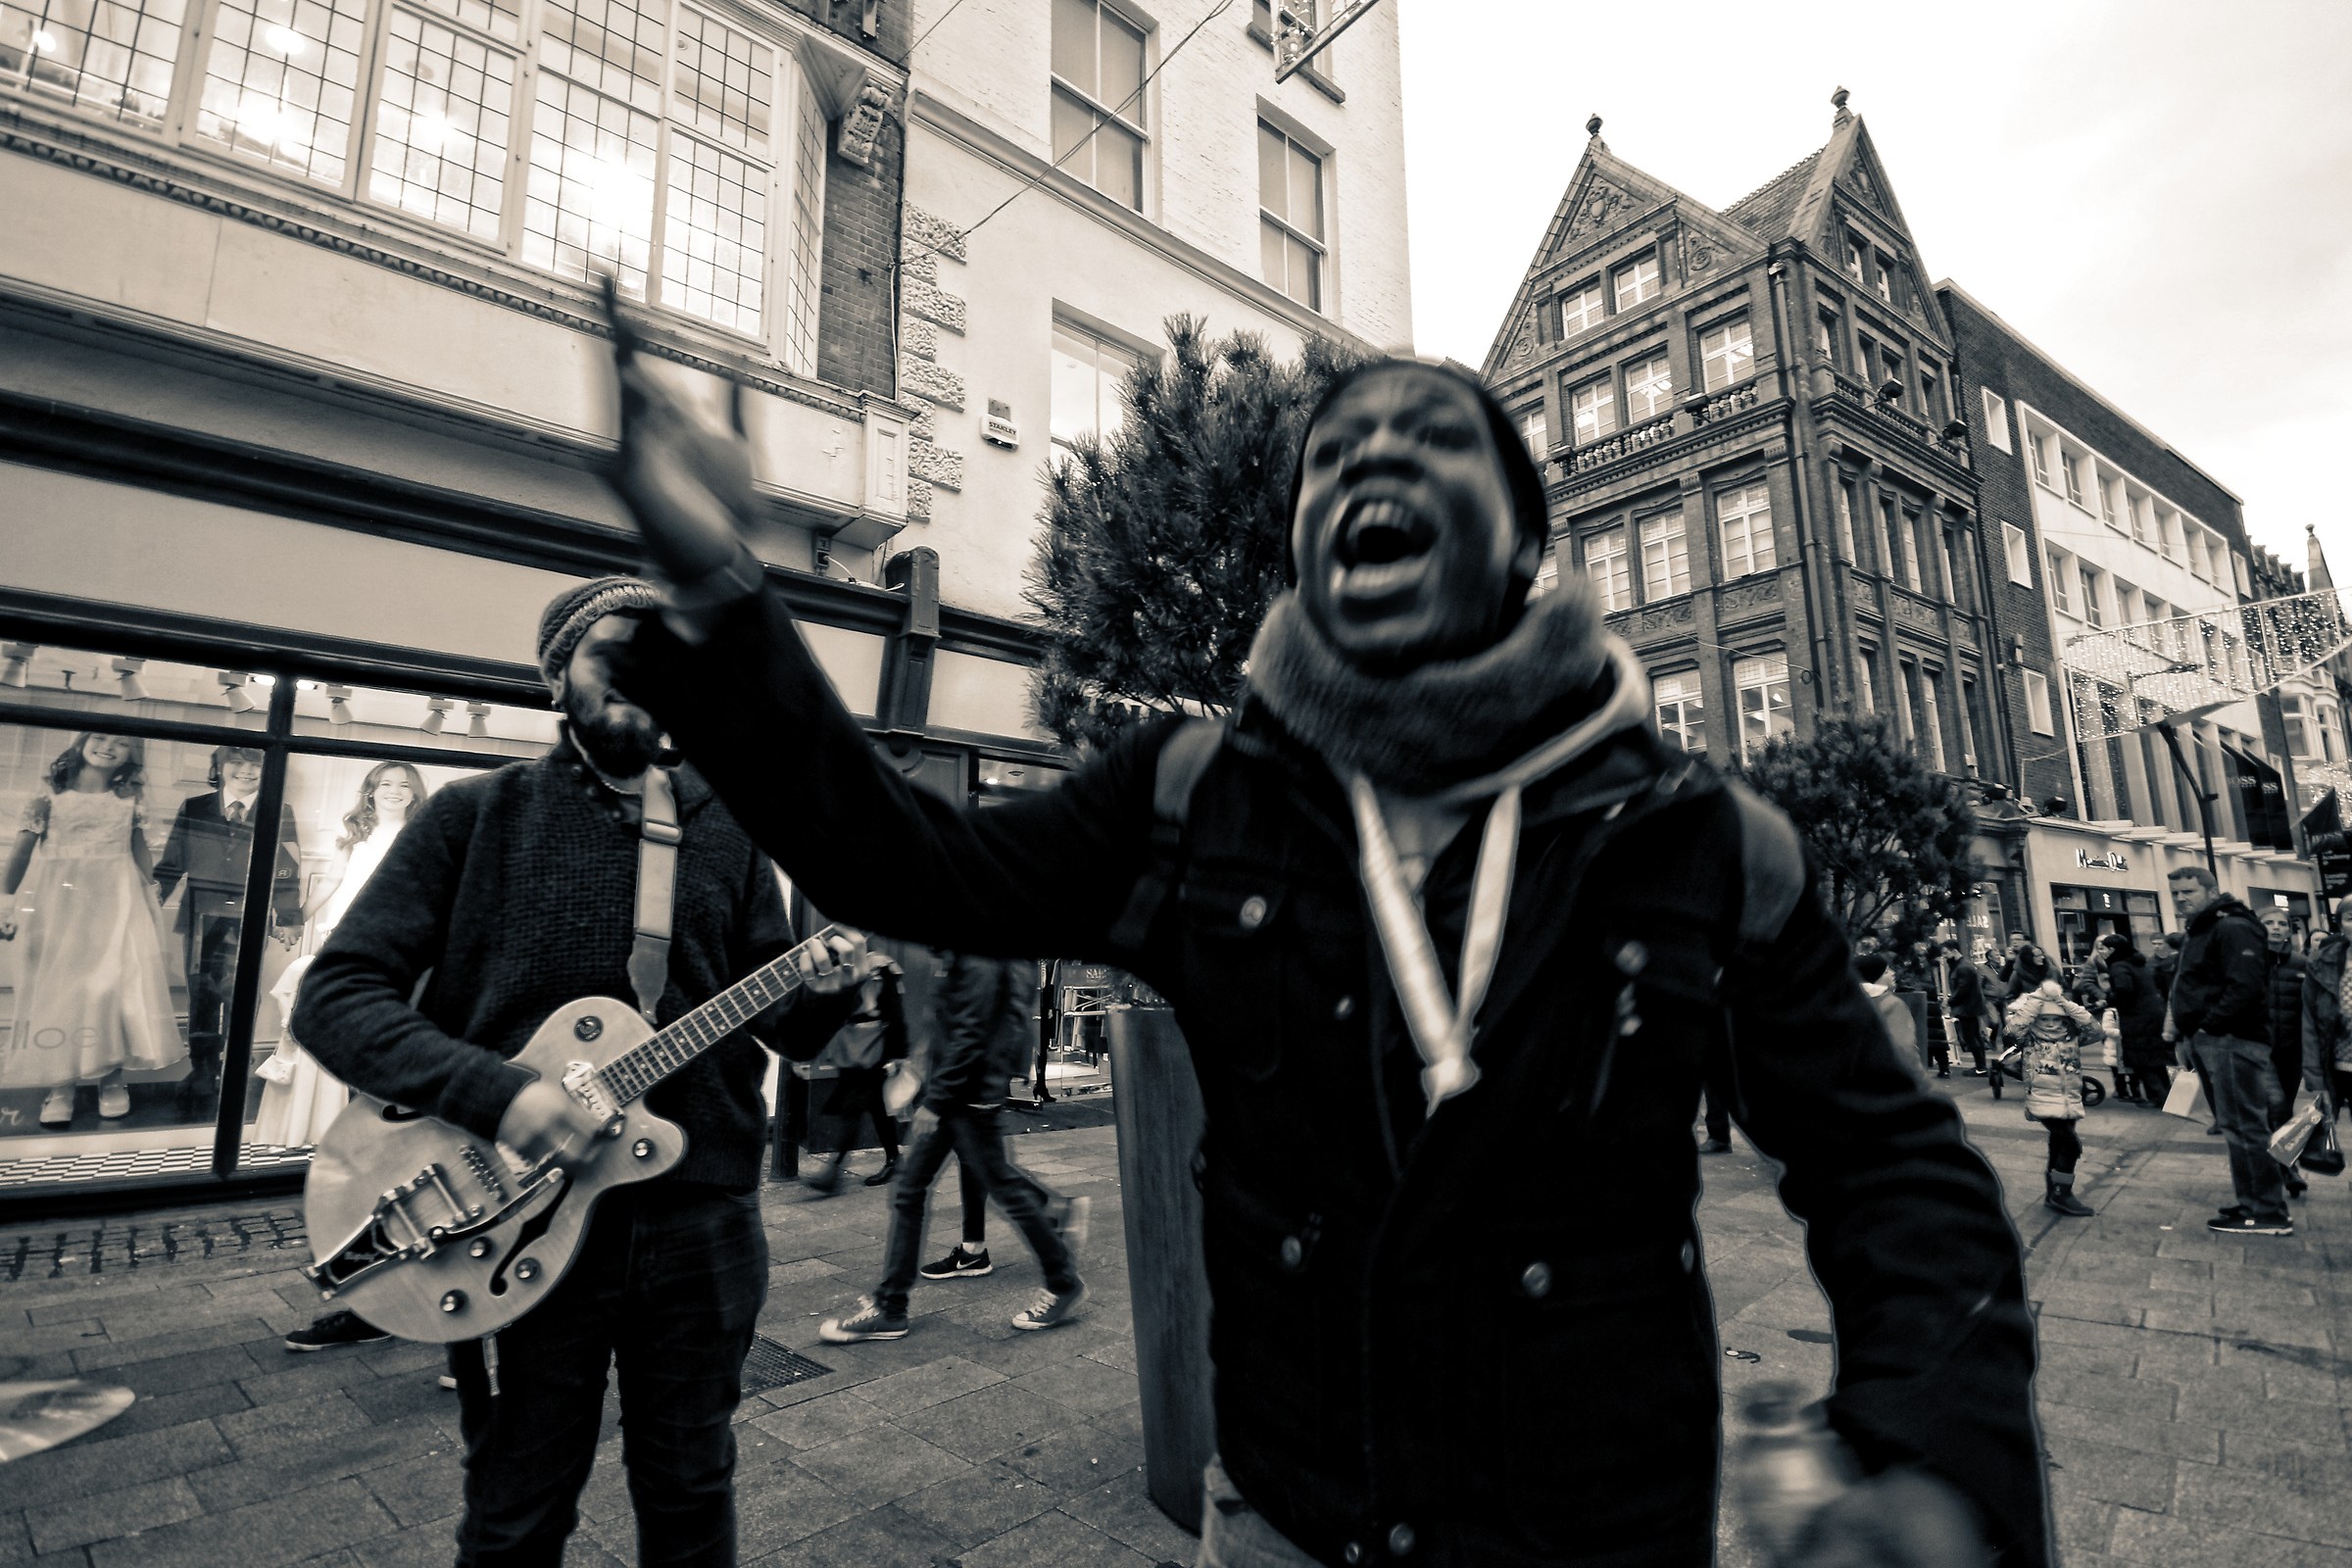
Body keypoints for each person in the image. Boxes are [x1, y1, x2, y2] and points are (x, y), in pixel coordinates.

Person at [603, 347, 2047, 1568]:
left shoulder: (1700, 841)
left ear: (1527, 541)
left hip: (1603, 1533)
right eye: (1334, 453)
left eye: (1432, 440)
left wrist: (1927, 1448)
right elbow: (904, 862)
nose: (1373, 464)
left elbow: (1891, 1167)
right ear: (1299, 537)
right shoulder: (1189, 797)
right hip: (1294, 1528)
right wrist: (726, 598)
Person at [290, 576, 868, 1566]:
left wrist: (832, 985)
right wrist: (501, 1094)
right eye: (619, 653)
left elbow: (786, 1026)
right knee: (518, 1509)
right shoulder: (474, 818)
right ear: (557, 677)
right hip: (514, 1223)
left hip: (704, 1218)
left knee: (692, 1492)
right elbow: (335, 995)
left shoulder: (728, 833)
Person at [822, 950, 1089, 1341]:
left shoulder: (979, 953)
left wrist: (937, 1099)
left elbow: (972, 1029)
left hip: (966, 1097)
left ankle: (1063, 1280)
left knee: (997, 1188)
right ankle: (891, 1306)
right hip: (964, 1092)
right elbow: (952, 1022)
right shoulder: (971, 949)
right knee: (916, 1189)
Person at [1, 733, 183, 1125]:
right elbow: (21, 851)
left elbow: (140, 853)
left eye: (121, 743)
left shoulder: (130, 799)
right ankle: (61, 1084)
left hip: (117, 901)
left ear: (131, 755)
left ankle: (111, 1080)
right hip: (59, 902)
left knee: (112, 989)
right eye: (100, 738)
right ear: (81, 742)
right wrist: (6, 901)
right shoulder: (50, 795)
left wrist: (150, 900)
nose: (108, 746)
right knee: (61, 990)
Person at [154, 744, 305, 1112]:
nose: (246, 771)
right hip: (200, 913)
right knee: (201, 992)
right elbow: (172, 861)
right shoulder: (195, 807)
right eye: (236, 762)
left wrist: (287, 917)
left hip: (248, 914)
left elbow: (286, 870)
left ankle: (236, 1064)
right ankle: (204, 1067)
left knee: (240, 993)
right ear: (219, 767)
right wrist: (150, 900)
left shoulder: (279, 811)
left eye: (256, 765)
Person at [2167, 865, 2288, 1235]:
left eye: (2188, 891)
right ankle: (2252, 1203)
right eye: (2175, 893)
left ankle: (2267, 1211)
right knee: (2236, 1125)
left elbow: (2245, 986)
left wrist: (2208, 1027)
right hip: (2216, 1039)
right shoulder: (2205, 928)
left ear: (2211, 890)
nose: (2181, 898)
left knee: (2245, 1126)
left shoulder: (2231, 926)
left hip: (2231, 1039)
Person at [805, 952, 908, 1195]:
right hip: (852, 1051)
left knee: (852, 1109)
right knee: (878, 1110)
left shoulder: (881, 967)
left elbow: (895, 1014)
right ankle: (894, 1160)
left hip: (873, 1054)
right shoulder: (841, 967)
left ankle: (833, 1173)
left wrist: (897, 1056)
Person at [2005, 981, 2097, 1217]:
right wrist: (2035, 1001)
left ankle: (2053, 1193)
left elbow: (2095, 1030)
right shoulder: (2030, 1040)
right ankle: (2062, 1193)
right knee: (2071, 1144)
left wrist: (2064, 1003)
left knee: (2058, 1145)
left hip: (2070, 1097)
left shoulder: (2072, 1036)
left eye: (2056, 1019)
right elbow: (2014, 1029)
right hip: (2042, 1097)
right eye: (2045, 1019)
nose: (2050, 1024)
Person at [2256, 906, 2312, 1200]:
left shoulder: (2302, 964)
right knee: (2275, 1104)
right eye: (2269, 923)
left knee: (2283, 1110)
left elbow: (2312, 1011)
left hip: (2292, 1052)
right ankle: (2288, 1169)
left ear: (2289, 931)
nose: (2276, 928)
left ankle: (2275, 1164)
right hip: (2258, 1050)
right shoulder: (2248, 963)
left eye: (2281, 923)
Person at [2100, 934, 2168, 1106]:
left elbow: (2124, 989)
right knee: (2157, 1059)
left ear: (2112, 950)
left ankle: (2158, 1098)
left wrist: (2109, 997)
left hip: (2137, 1018)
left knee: (2142, 1061)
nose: (2102, 952)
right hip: (2154, 1013)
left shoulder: (2118, 966)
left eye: (2104, 948)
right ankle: (2168, 1096)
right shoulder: (2138, 962)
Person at [2303, 902, 2352, 1121]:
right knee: (2325, 1134)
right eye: (2351, 918)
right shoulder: (2321, 963)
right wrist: (2314, 1076)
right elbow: (2309, 1023)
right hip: (2338, 1066)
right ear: (2341, 925)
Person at [1855, 954, 1929, 1085]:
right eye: (1886, 971)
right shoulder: (1891, 1004)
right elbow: (1903, 1048)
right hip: (1890, 1083)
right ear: (1875, 977)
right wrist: (1920, 1080)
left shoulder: (1848, 1002)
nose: (1893, 973)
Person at [1943, 941, 1990, 1075]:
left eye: (1946, 952)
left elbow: (1963, 989)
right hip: (1970, 1007)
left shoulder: (1963, 967)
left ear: (1954, 951)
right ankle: (1981, 1066)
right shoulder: (1963, 966)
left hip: (1968, 1008)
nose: (1944, 956)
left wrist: (1950, 1001)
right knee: (1974, 1036)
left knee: (1971, 1037)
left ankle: (1981, 1067)